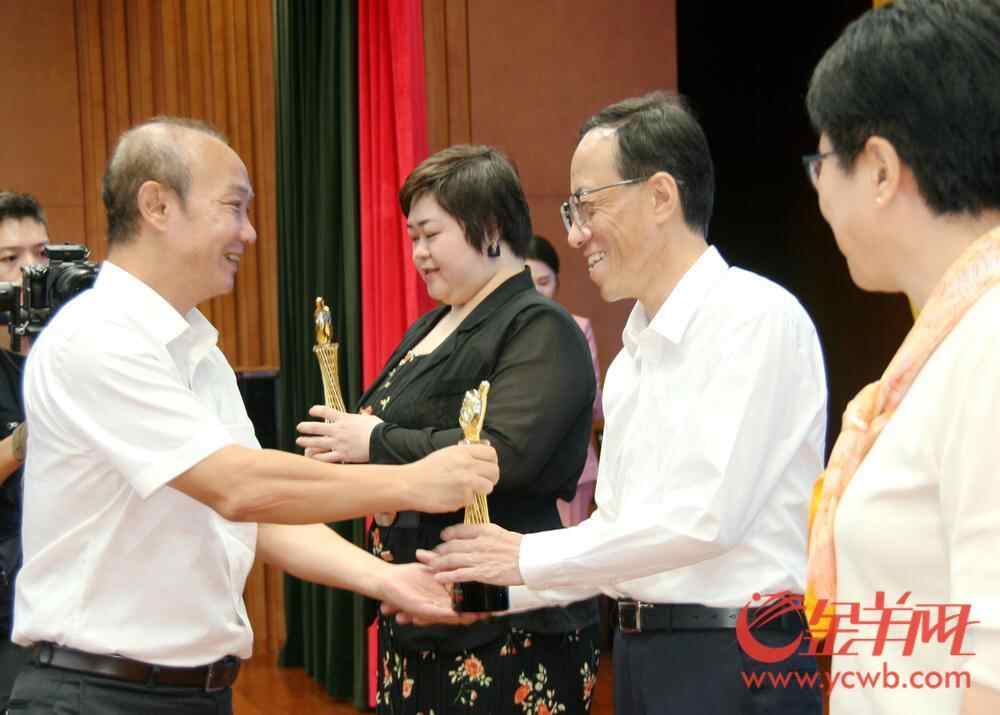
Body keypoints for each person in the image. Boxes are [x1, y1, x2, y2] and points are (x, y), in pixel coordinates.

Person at [8, 117, 498, 715]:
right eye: (233, 207)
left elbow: (257, 513)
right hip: (98, 696)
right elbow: (238, 486)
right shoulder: (98, 337)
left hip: (195, 693)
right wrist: (413, 480)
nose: (250, 231)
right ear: (157, 205)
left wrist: (384, 578)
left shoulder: (197, 348)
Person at [418, 92, 829, 714]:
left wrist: (525, 554)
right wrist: (482, 593)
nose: (574, 233)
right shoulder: (631, 356)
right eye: (571, 210)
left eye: (587, 206)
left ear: (661, 196)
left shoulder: (755, 318)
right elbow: (616, 540)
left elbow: (703, 519)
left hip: (735, 658)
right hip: (641, 655)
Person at [296, 145, 601, 714]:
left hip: (505, 628)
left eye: (431, 235)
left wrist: (373, 442)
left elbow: (501, 455)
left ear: (490, 228)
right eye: (413, 237)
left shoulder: (541, 327)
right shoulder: (432, 324)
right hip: (420, 614)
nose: (418, 253)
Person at [802, 1, 1000, 713]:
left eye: (822, 162)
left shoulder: (988, 345)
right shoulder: (950, 345)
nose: (818, 190)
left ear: (881, 169)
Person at [0, 191, 48, 710]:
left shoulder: (60, 354)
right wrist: (25, 440)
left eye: (41, 254)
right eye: (10, 258)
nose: (28, 271)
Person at [525, 235, 602, 527]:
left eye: (544, 282)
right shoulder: (505, 332)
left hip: (572, 466)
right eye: (527, 282)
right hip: (519, 467)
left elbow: (594, 403)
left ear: (557, 281)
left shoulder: (578, 328)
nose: (536, 291)